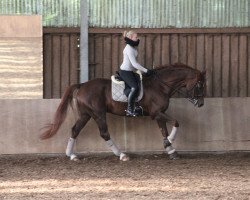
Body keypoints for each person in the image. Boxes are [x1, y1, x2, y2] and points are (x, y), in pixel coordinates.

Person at [119, 30, 154, 117]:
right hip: (125, 72)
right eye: (136, 37)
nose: (137, 38)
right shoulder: (129, 48)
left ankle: (137, 106)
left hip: (130, 71)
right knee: (134, 87)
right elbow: (134, 64)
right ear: (131, 37)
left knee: (140, 83)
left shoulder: (132, 47)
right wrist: (146, 70)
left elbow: (134, 64)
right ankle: (130, 110)